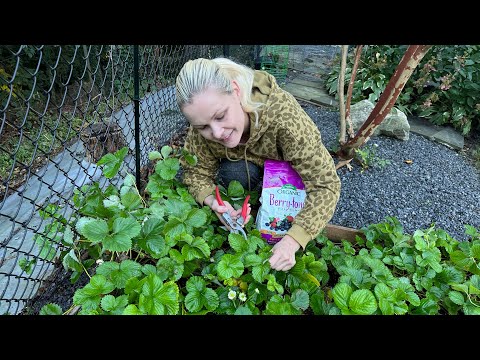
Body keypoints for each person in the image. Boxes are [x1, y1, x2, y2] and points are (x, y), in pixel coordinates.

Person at [175, 57, 341, 271]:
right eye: (202, 127)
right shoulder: (204, 122)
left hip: (289, 183)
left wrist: (293, 240)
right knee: (234, 172)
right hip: (248, 173)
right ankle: (247, 216)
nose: (216, 133)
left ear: (236, 91)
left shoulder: (285, 119)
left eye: (221, 116)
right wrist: (211, 201)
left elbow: (326, 184)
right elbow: (195, 171)